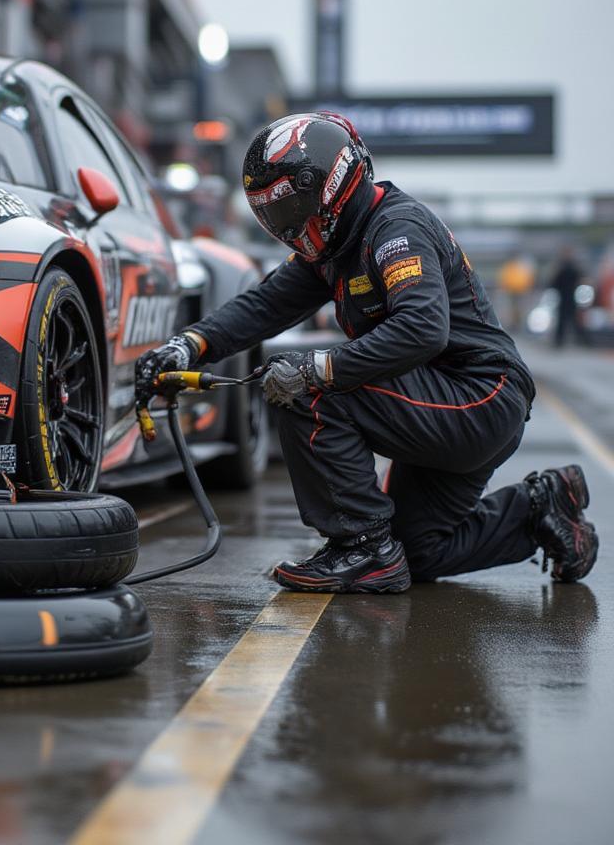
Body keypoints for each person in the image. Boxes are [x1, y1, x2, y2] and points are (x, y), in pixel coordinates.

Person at [136, 113, 598, 593]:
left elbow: (423, 329)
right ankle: (543, 507)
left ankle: (362, 547)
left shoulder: (396, 229)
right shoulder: (335, 245)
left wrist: (320, 370)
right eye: (277, 212)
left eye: (295, 206)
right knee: (419, 552)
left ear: (333, 185)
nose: (290, 224)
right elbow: (265, 304)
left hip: (477, 397)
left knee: (304, 388)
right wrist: (188, 345)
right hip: (447, 400)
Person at [549, 246, 589, 348]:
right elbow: (554, 283)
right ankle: (560, 341)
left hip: (571, 297)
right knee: (563, 320)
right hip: (564, 297)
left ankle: (582, 340)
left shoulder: (571, 267)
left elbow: (581, 280)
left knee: (574, 320)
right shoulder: (562, 267)